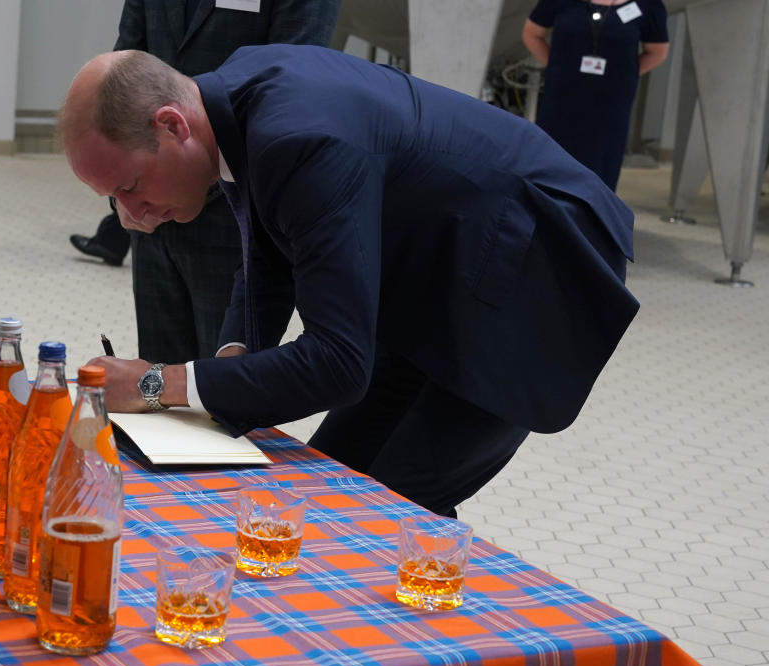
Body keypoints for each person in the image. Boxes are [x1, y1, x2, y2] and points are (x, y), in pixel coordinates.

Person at [60, 46, 641, 518]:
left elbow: (339, 364)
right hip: (445, 266)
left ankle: (423, 656)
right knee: (324, 492)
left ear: (172, 124)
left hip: (538, 263)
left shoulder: (299, 138)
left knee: (389, 508)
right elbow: (267, 254)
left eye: (130, 186)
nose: (130, 215)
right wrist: (230, 364)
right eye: (111, 200)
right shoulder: (230, 111)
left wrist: (158, 384)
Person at [69, 0, 340, 365]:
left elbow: (292, 81)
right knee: (157, 389)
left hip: (237, 217)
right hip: (151, 220)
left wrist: (196, 178)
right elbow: (122, 73)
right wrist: (127, 194)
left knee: (226, 389)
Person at [522, 0, 669, 190]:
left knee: (600, 172)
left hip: (611, 103)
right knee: (550, 166)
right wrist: (557, 68)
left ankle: (592, 217)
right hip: (561, 99)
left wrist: (623, 75)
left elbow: (657, 52)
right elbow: (532, 34)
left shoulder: (648, 5)